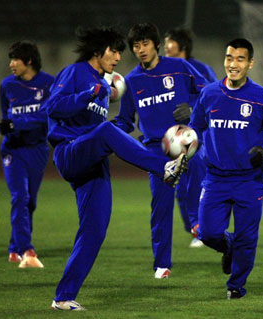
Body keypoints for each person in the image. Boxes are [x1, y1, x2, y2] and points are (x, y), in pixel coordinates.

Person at [46, 25, 187, 311]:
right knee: (107, 131)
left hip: (92, 162)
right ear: (99, 51)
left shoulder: (103, 86)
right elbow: (53, 107)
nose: (119, 58)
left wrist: (100, 93)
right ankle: (164, 168)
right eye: (115, 51)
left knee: (95, 230)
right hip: (69, 152)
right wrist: (89, 93)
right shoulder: (76, 74)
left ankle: (63, 297)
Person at [189, 38, 263, 299]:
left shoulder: (260, 98)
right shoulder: (210, 93)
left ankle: (236, 286)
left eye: (240, 59)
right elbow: (196, 127)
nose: (233, 64)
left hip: (249, 180)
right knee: (208, 233)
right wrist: (188, 145)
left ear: (250, 63)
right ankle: (228, 245)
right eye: (229, 58)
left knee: (247, 238)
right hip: (215, 179)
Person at [114, 23, 208, 279]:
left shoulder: (178, 67)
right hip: (156, 149)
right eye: (135, 45)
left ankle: (198, 221)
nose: (140, 49)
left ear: (156, 45)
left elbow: (208, 92)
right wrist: (107, 131)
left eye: (145, 44)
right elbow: (125, 120)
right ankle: (162, 264)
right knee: (161, 204)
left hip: (185, 140)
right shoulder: (132, 81)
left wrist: (191, 107)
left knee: (198, 166)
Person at [0, 41, 54, 268]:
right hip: (13, 149)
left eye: (15, 59)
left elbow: (46, 116)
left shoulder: (49, 84)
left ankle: (14, 247)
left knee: (30, 201)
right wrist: (11, 128)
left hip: (37, 149)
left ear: (29, 61)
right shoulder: (7, 85)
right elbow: (6, 118)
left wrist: (17, 124)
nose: (11, 64)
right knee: (19, 197)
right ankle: (26, 249)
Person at [164, 27, 218, 247]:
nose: (166, 51)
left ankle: (201, 229)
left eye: (171, 47)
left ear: (183, 48)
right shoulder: (163, 71)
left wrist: (193, 108)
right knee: (180, 188)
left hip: (199, 139)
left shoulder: (200, 69)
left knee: (196, 182)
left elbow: (216, 98)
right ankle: (195, 229)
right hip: (174, 140)